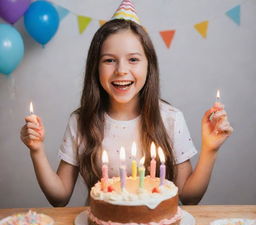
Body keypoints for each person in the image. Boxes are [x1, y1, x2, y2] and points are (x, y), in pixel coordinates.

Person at [20, 0, 233, 207]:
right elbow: (60, 197)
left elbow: (189, 197)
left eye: (133, 59)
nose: (121, 70)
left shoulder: (170, 118)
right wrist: (36, 150)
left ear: (149, 66)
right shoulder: (81, 122)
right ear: (95, 67)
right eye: (109, 60)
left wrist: (209, 149)